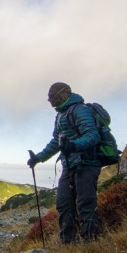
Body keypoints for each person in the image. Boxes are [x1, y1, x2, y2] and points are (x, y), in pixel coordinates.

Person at [27, 82, 101, 244]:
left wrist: (74, 145)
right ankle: (68, 245)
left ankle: (91, 244)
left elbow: (93, 135)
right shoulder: (60, 114)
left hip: (87, 163)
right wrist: (38, 158)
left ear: (64, 94)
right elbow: (56, 142)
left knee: (85, 204)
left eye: (52, 96)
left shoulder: (80, 110)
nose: (49, 100)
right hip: (69, 166)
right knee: (63, 205)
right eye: (49, 97)